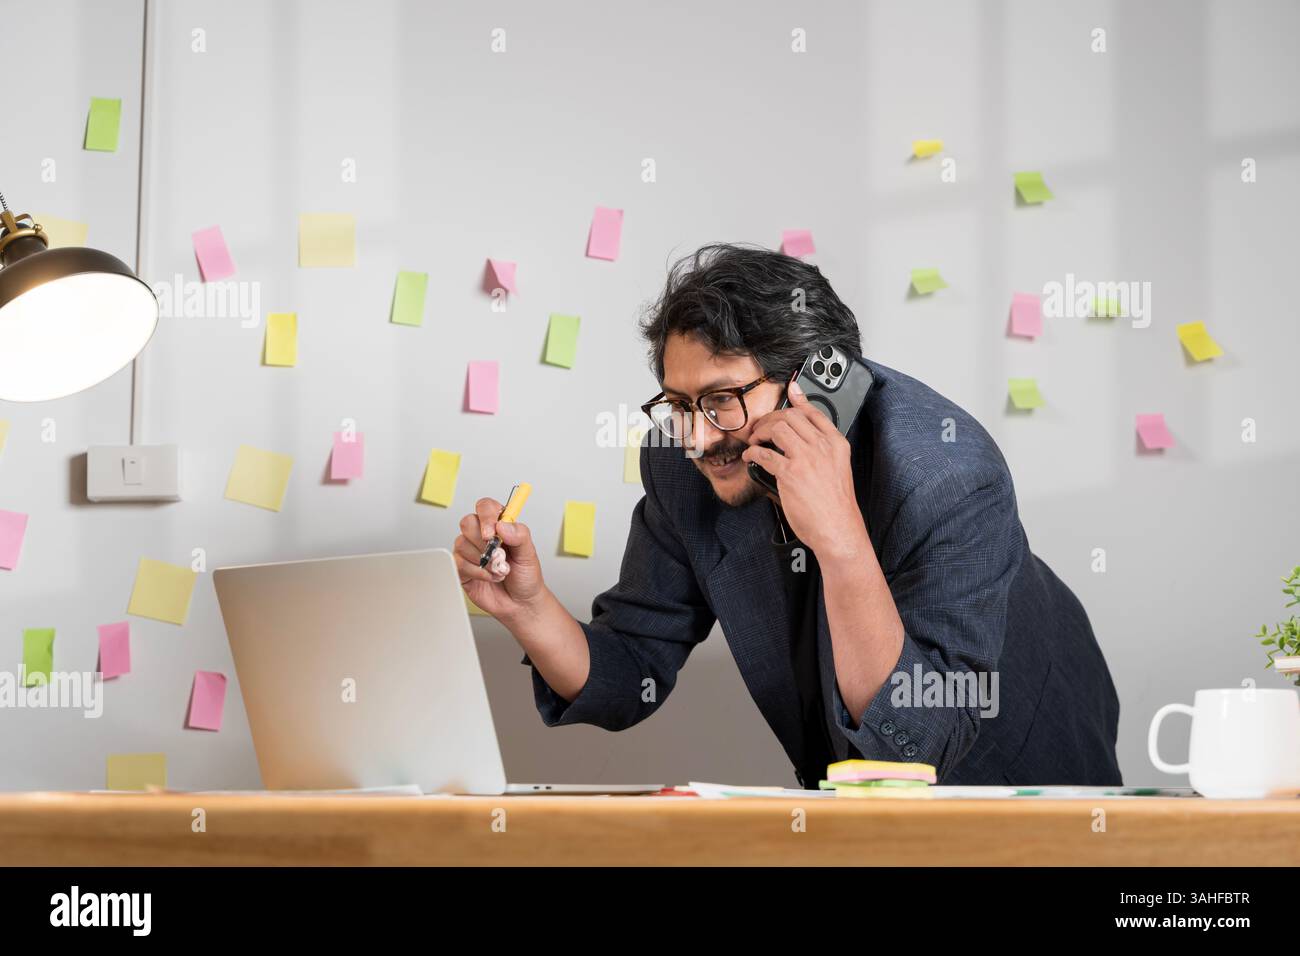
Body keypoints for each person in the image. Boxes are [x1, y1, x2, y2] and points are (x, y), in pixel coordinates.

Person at [454, 243, 1122, 788]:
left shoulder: (946, 474)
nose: (695, 438)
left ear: (822, 385)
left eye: (720, 399)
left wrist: (840, 540)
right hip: (847, 795)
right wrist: (527, 607)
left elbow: (918, 739)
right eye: (678, 405)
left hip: (1022, 770)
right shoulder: (682, 463)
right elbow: (631, 671)